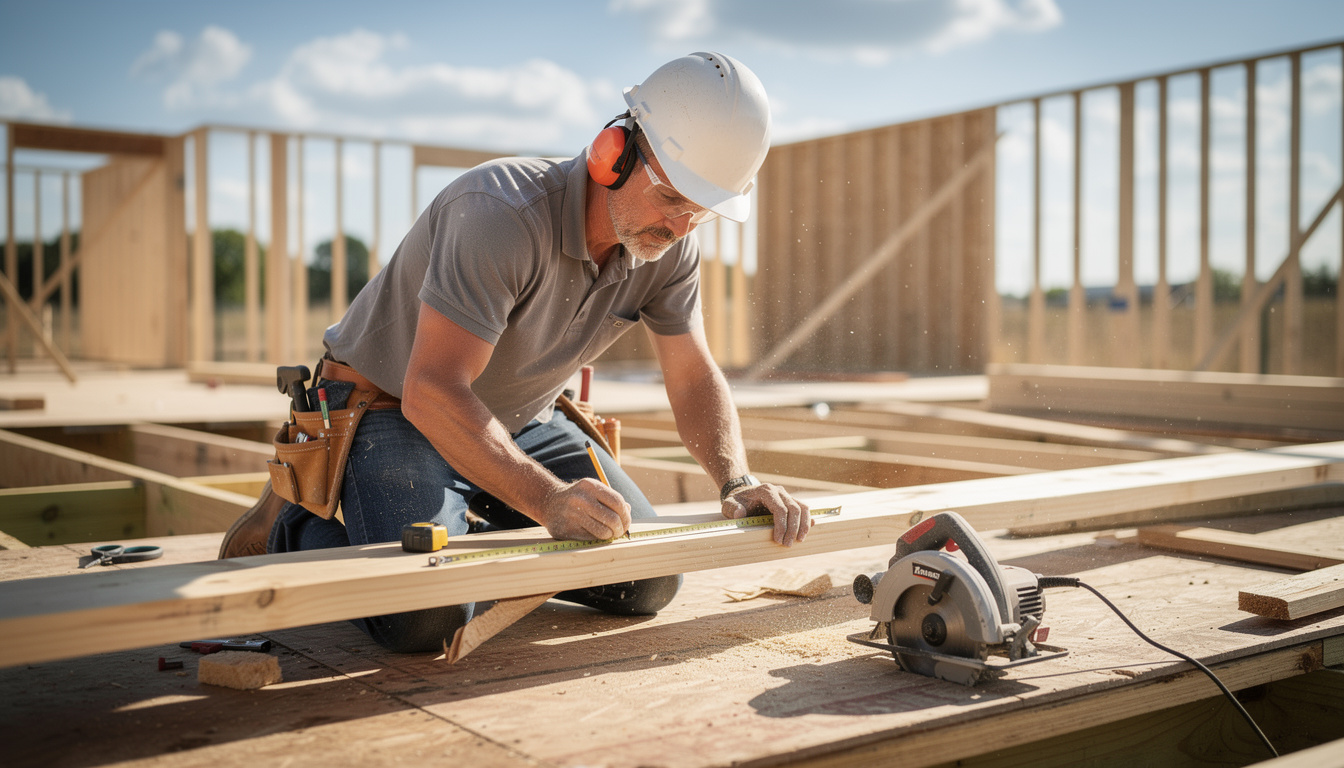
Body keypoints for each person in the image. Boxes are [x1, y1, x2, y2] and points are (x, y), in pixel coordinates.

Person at [219, 51, 811, 653]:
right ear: (614, 153)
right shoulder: (498, 213)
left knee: (647, 578)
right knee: (427, 616)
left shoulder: (669, 249)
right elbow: (432, 389)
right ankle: (295, 527)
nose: (681, 225)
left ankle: (473, 515)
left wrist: (735, 479)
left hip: (522, 420)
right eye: (670, 197)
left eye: (701, 210)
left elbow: (692, 375)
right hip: (392, 411)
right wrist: (548, 500)